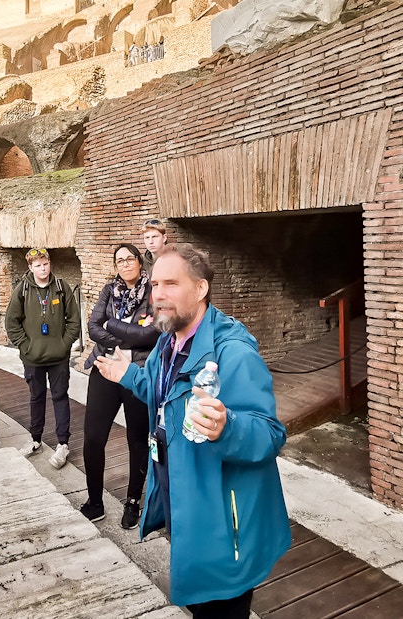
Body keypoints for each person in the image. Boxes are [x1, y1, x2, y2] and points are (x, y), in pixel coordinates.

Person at [94, 243, 291, 616]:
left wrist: (225, 427)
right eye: (154, 285)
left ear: (200, 289)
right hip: (184, 502)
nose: (158, 295)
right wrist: (128, 375)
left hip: (224, 523)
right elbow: (163, 391)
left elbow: (269, 433)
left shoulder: (233, 352)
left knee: (219, 608)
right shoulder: (170, 341)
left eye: (171, 284)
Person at [81, 243, 159, 529]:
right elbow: (92, 327)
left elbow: (152, 334)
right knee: (93, 438)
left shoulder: (153, 292)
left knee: (137, 441)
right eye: (119, 261)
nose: (125, 264)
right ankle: (94, 502)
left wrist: (111, 326)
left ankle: (133, 502)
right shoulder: (108, 291)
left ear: (140, 262)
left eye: (129, 259)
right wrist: (129, 335)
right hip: (104, 369)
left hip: (135, 373)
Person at [5, 248, 80, 469]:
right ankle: (35, 439)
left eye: (45, 264)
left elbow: (74, 320)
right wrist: (26, 346)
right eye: (37, 265)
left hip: (58, 357)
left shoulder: (61, 287)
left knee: (60, 397)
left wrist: (65, 344)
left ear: (50, 263)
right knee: (36, 397)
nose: (43, 269)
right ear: (30, 267)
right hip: (33, 357)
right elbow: (12, 322)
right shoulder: (23, 289)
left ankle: (62, 443)